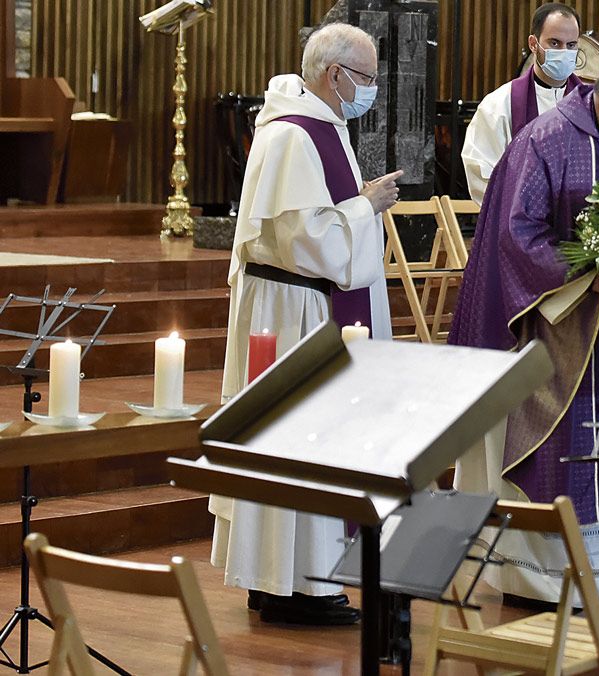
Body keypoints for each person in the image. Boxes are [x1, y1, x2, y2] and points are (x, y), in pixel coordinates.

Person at [449, 47, 599, 608]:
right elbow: (514, 235)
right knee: (562, 447)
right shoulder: (544, 141)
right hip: (560, 330)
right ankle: (543, 580)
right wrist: (587, 278)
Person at [210, 22, 401, 626]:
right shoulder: (296, 134)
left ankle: (281, 578)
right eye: (366, 77)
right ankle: (299, 585)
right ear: (332, 72)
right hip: (297, 311)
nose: (370, 89)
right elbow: (308, 238)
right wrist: (367, 205)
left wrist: (358, 203)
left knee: (293, 442)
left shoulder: (319, 123)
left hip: (298, 307)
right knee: (301, 439)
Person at [460, 3, 582, 203]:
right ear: (534, 44)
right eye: (554, 43)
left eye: (571, 45)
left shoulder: (589, 104)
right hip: (519, 222)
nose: (563, 51)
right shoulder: (499, 105)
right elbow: (481, 171)